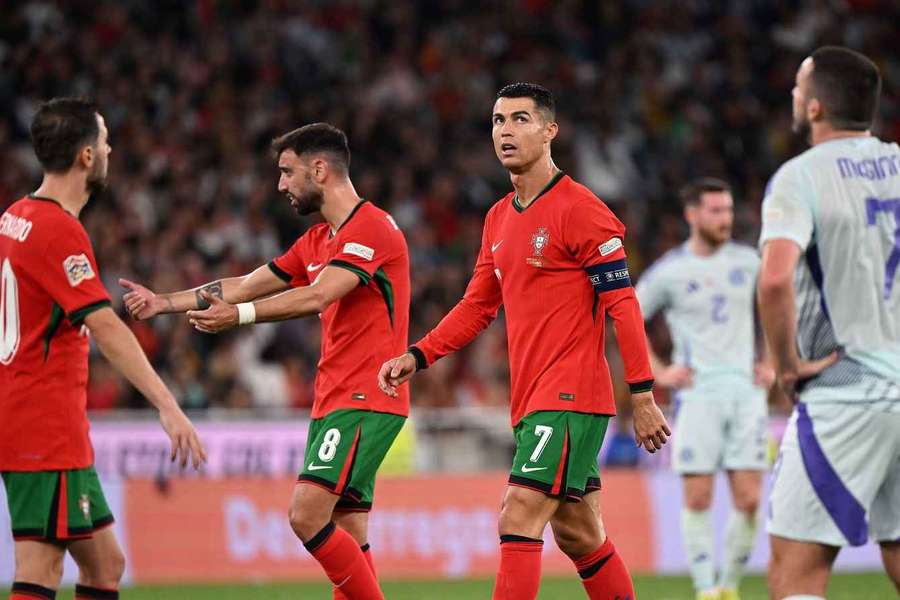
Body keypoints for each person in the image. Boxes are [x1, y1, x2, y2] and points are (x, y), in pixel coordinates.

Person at [378, 83, 670, 600]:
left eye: (519, 119)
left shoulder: (583, 210)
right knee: (580, 535)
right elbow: (477, 305)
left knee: (518, 512)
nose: (505, 131)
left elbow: (623, 305)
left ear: (549, 130)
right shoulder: (498, 217)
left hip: (572, 395)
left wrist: (642, 394)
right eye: (497, 121)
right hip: (532, 399)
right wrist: (419, 353)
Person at [122, 123, 409, 600]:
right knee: (349, 529)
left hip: (366, 396)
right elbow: (246, 283)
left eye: (287, 172)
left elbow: (318, 296)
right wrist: (164, 302)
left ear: (320, 169)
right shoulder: (318, 240)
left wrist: (238, 317)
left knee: (305, 515)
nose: (281, 185)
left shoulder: (371, 228)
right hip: (336, 397)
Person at [0, 98, 206, 600]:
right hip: (43, 424)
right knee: (41, 567)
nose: (112, 148)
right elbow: (107, 327)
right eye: (106, 139)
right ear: (87, 156)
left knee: (105, 565)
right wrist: (168, 405)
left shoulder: (15, 217)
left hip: (39, 419)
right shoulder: (57, 230)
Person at [758, 46, 900, 600]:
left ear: (815, 108)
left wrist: (786, 365)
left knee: (795, 574)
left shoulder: (800, 177)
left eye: (798, 87)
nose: (794, 96)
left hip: (847, 392)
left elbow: (773, 280)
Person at [636, 177, 773, 600]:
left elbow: (776, 305)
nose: (725, 218)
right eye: (715, 210)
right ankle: (704, 589)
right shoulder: (671, 270)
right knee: (697, 497)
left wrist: (769, 359)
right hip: (697, 396)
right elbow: (627, 317)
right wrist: (657, 370)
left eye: (728, 210)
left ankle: (728, 586)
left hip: (746, 393)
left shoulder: (749, 261)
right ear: (692, 214)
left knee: (749, 498)